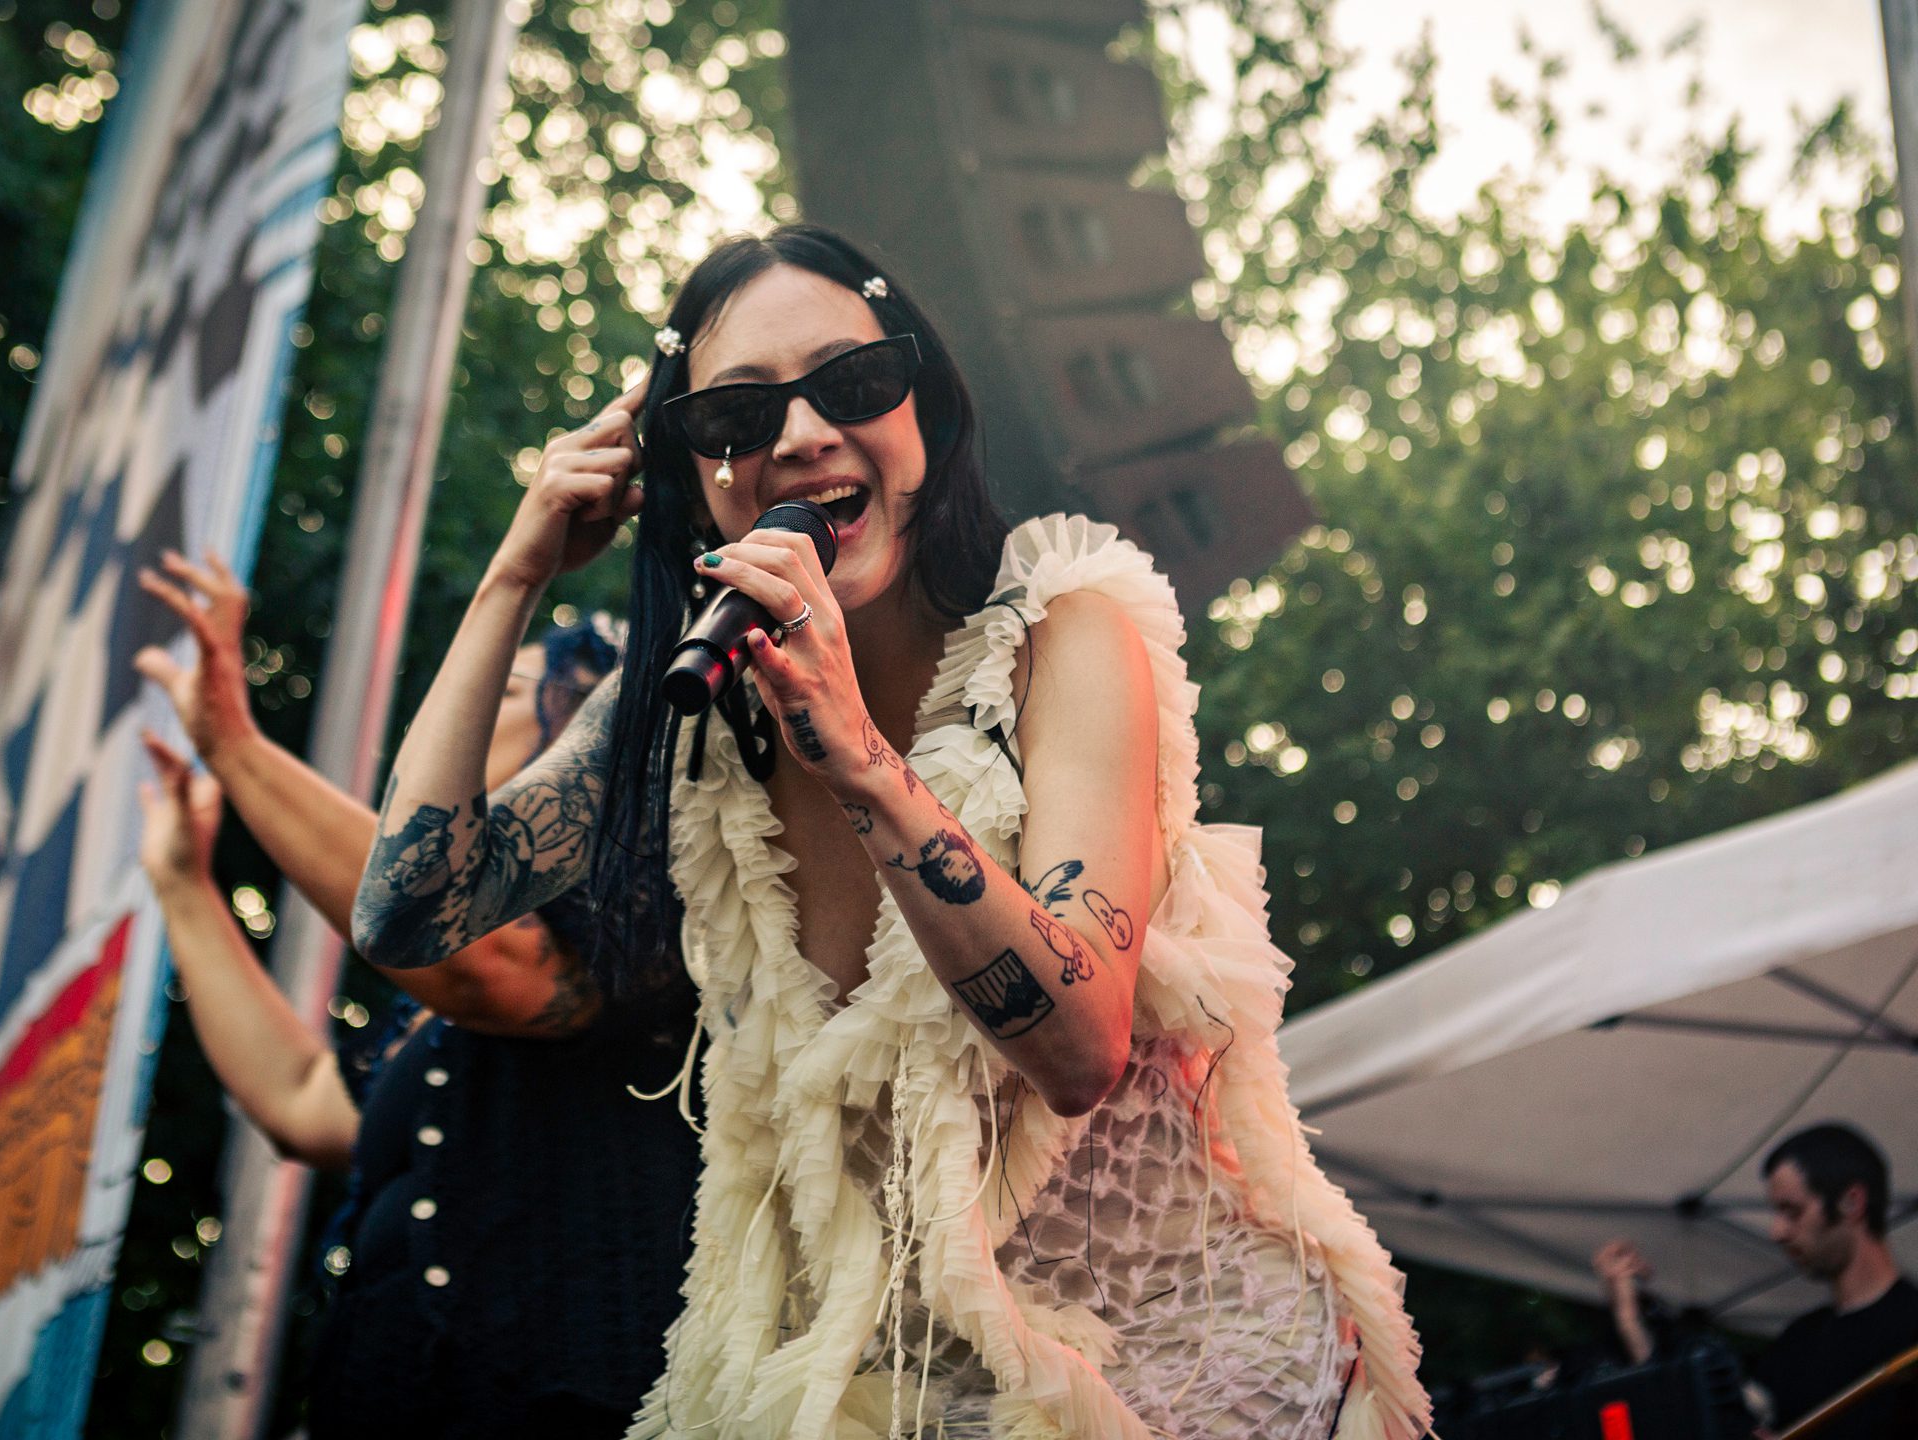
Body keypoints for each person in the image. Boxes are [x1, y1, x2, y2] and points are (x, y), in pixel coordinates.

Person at [350, 225, 1429, 1440]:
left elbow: (1076, 1047)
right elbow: (407, 909)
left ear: (925, 414)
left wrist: (855, 756)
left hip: (1186, 1381)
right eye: (741, 415)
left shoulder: (1061, 635)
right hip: (916, 1394)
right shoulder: (684, 705)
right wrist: (518, 571)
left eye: (852, 385)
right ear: (694, 468)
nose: (804, 435)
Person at [132, 551, 699, 1438]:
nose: (467, 705)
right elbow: (302, 1103)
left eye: (512, 689)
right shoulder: (437, 1024)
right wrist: (182, 887)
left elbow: (480, 964)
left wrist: (234, 746)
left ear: (579, 724)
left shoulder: (639, 900)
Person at [1598, 1124, 1917, 1439]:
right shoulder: (1800, 1341)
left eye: (1792, 1211)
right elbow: (1708, 1421)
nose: (1776, 1232)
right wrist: (1631, 1322)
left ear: (1852, 1202)